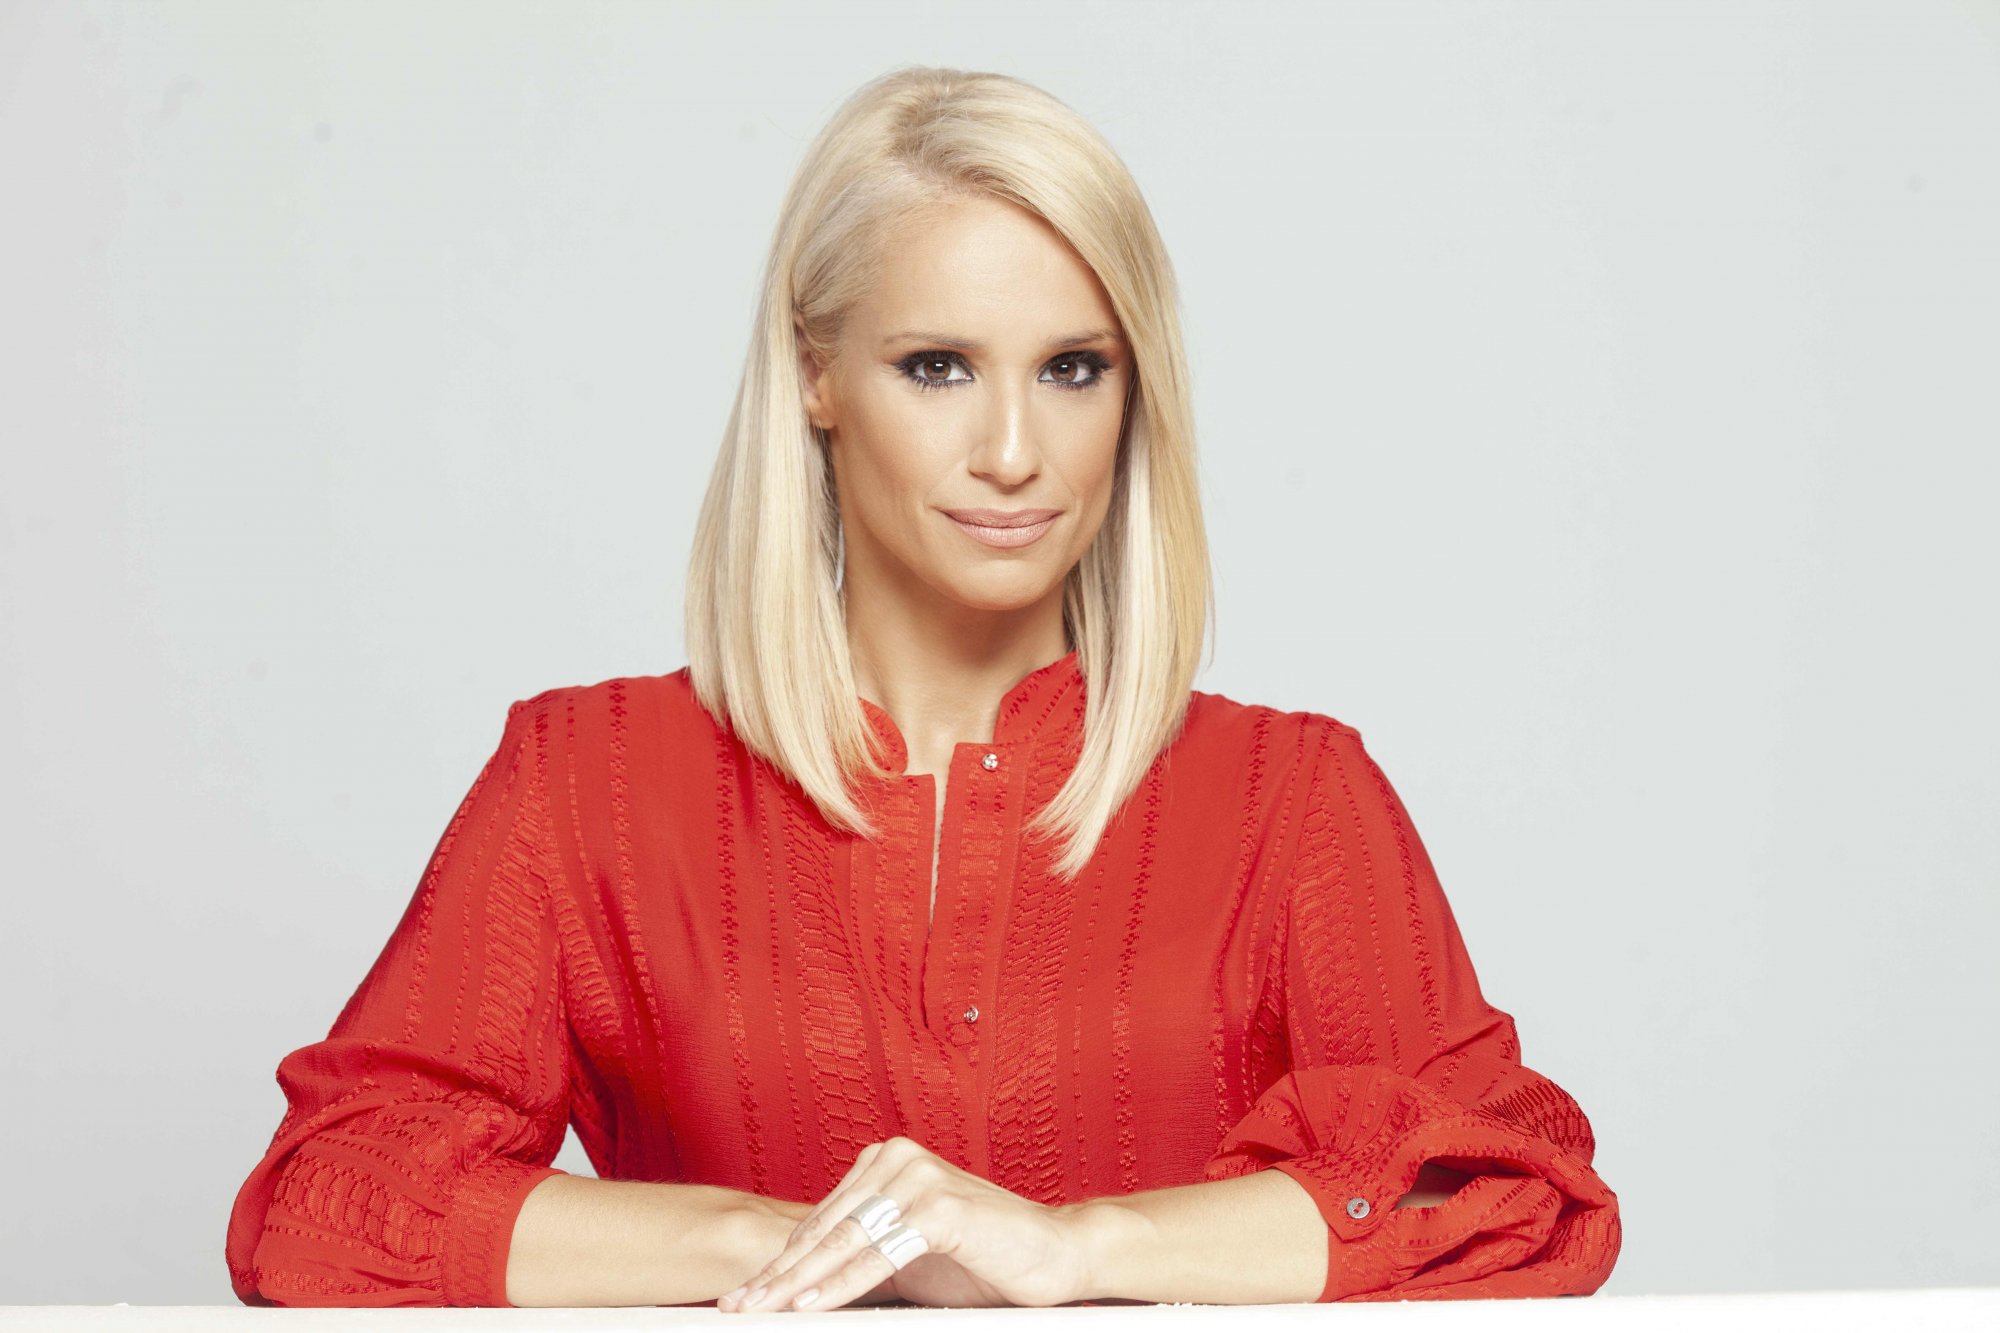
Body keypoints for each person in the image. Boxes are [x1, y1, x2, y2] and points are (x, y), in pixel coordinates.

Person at [224, 65, 1621, 1310]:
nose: (1014, 451)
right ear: (817, 375)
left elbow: (1506, 1193)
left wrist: (1079, 1247)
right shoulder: (586, 777)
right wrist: (800, 1241)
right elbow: (329, 1203)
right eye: (937, 367)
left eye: (1073, 368)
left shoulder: (1293, 798)